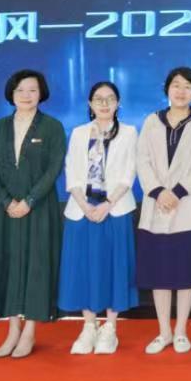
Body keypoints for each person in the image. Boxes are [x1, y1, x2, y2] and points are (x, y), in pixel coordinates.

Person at [0, 69, 67, 359]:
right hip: (5, 210)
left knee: (37, 265)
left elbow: (54, 168)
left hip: (39, 208)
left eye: (32, 90)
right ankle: (13, 330)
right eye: (20, 90)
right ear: (11, 94)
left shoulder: (52, 127)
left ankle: (29, 332)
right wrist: (6, 201)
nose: (26, 96)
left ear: (42, 94)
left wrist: (29, 200)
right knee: (9, 265)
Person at [135, 67, 191, 355]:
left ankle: (180, 330)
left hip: (187, 206)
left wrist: (178, 191)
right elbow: (142, 160)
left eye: (188, 87)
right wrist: (158, 191)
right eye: (176, 85)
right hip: (155, 205)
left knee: (185, 270)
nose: (181, 91)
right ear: (167, 89)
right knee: (159, 272)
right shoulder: (151, 121)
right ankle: (163, 331)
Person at [59, 81, 140, 355]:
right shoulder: (79, 133)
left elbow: (129, 173)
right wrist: (85, 205)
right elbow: (71, 172)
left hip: (114, 209)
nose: (104, 104)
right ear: (90, 104)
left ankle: (110, 328)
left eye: (110, 99)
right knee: (84, 267)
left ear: (118, 103)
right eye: (98, 99)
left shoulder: (129, 132)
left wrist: (107, 204)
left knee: (114, 267)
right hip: (81, 210)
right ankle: (89, 326)